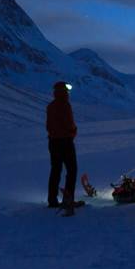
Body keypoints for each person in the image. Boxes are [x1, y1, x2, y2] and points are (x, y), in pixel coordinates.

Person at [46, 80, 79, 216]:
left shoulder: (51, 106)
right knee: (72, 170)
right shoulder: (65, 105)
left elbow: (48, 126)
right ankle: (68, 199)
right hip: (65, 141)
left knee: (56, 170)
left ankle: (52, 199)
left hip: (53, 142)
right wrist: (73, 132)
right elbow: (69, 124)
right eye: (67, 90)